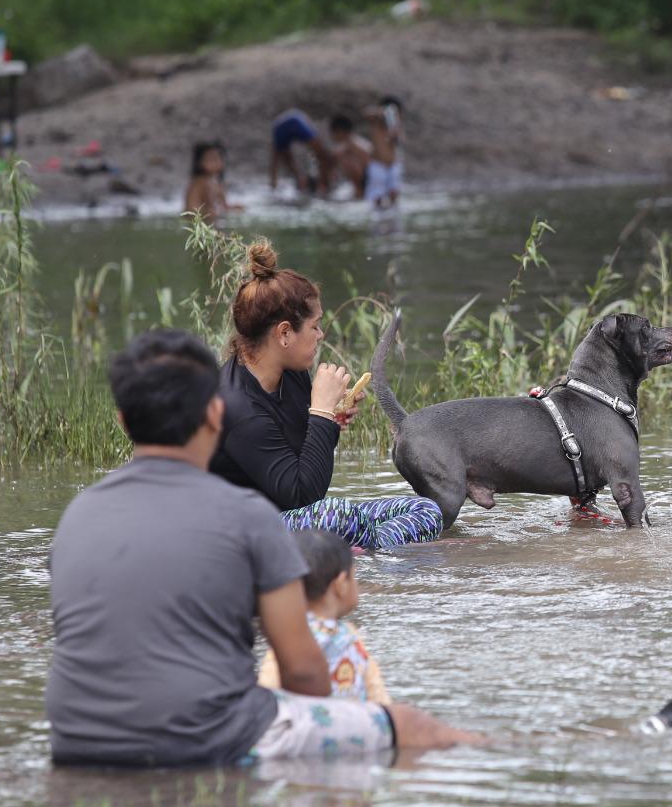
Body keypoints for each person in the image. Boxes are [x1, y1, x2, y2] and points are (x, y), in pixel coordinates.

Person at [45, 328, 481, 767]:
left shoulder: (76, 517)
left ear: (122, 420)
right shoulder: (246, 517)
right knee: (413, 728)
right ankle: (522, 750)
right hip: (205, 740)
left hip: (75, 743)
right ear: (216, 413)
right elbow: (304, 671)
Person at [209, 238, 444, 548]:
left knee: (425, 510)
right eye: (315, 326)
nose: (321, 335)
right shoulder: (236, 405)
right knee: (339, 516)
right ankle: (370, 551)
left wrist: (331, 419)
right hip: (247, 533)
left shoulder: (291, 374)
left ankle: (364, 549)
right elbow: (304, 494)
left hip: (297, 517)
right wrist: (320, 413)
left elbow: (306, 459)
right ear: (284, 333)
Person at [257, 530, 390, 703]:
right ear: (341, 584)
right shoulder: (351, 638)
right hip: (353, 723)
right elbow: (377, 695)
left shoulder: (288, 640)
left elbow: (268, 692)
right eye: (354, 577)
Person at [269, 108, 335, 195]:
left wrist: (273, 182)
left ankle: (302, 181)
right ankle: (322, 180)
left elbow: (275, 159)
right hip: (292, 122)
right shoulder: (301, 125)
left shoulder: (282, 130)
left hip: (283, 125)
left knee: (284, 157)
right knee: (319, 152)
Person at [182, 141, 243, 223]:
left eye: (219, 158)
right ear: (200, 162)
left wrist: (233, 208)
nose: (216, 162)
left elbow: (223, 205)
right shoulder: (201, 182)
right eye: (211, 159)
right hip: (198, 220)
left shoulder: (216, 182)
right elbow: (194, 209)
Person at [363, 102, 401, 209]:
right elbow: (367, 113)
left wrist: (393, 122)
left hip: (392, 165)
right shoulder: (375, 124)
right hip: (378, 165)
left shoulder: (394, 126)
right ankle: (378, 213)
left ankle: (392, 214)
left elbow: (397, 142)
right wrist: (383, 112)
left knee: (394, 193)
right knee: (377, 195)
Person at [326, 114, 372, 200]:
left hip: (369, 183)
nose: (332, 136)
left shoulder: (359, 146)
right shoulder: (343, 147)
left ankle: (360, 192)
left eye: (333, 133)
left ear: (340, 131)